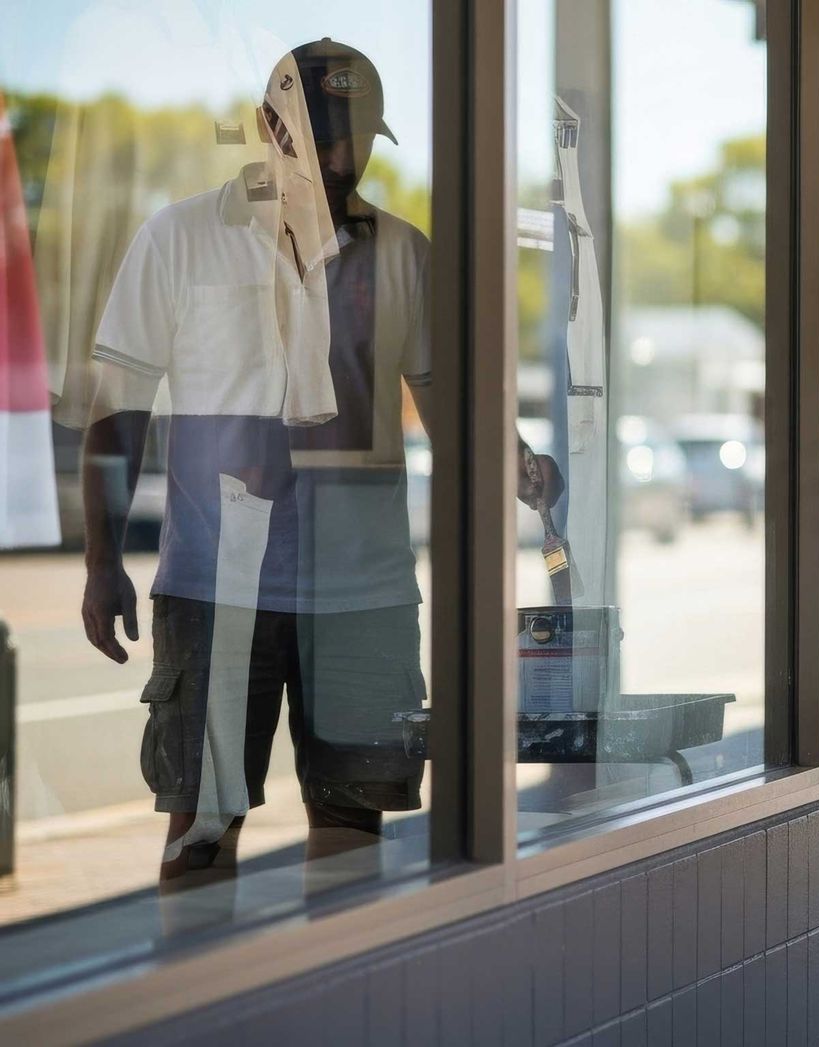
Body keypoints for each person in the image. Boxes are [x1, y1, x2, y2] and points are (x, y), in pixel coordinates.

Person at [77, 39, 561, 919]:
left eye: (359, 137)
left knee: (350, 835)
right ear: (269, 126)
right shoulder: (182, 237)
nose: (342, 158)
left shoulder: (404, 255)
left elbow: (458, 407)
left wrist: (519, 463)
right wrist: (101, 559)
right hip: (215, 588)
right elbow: (118, 412)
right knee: (202, 831)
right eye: (320, 133)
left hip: (364, 596)